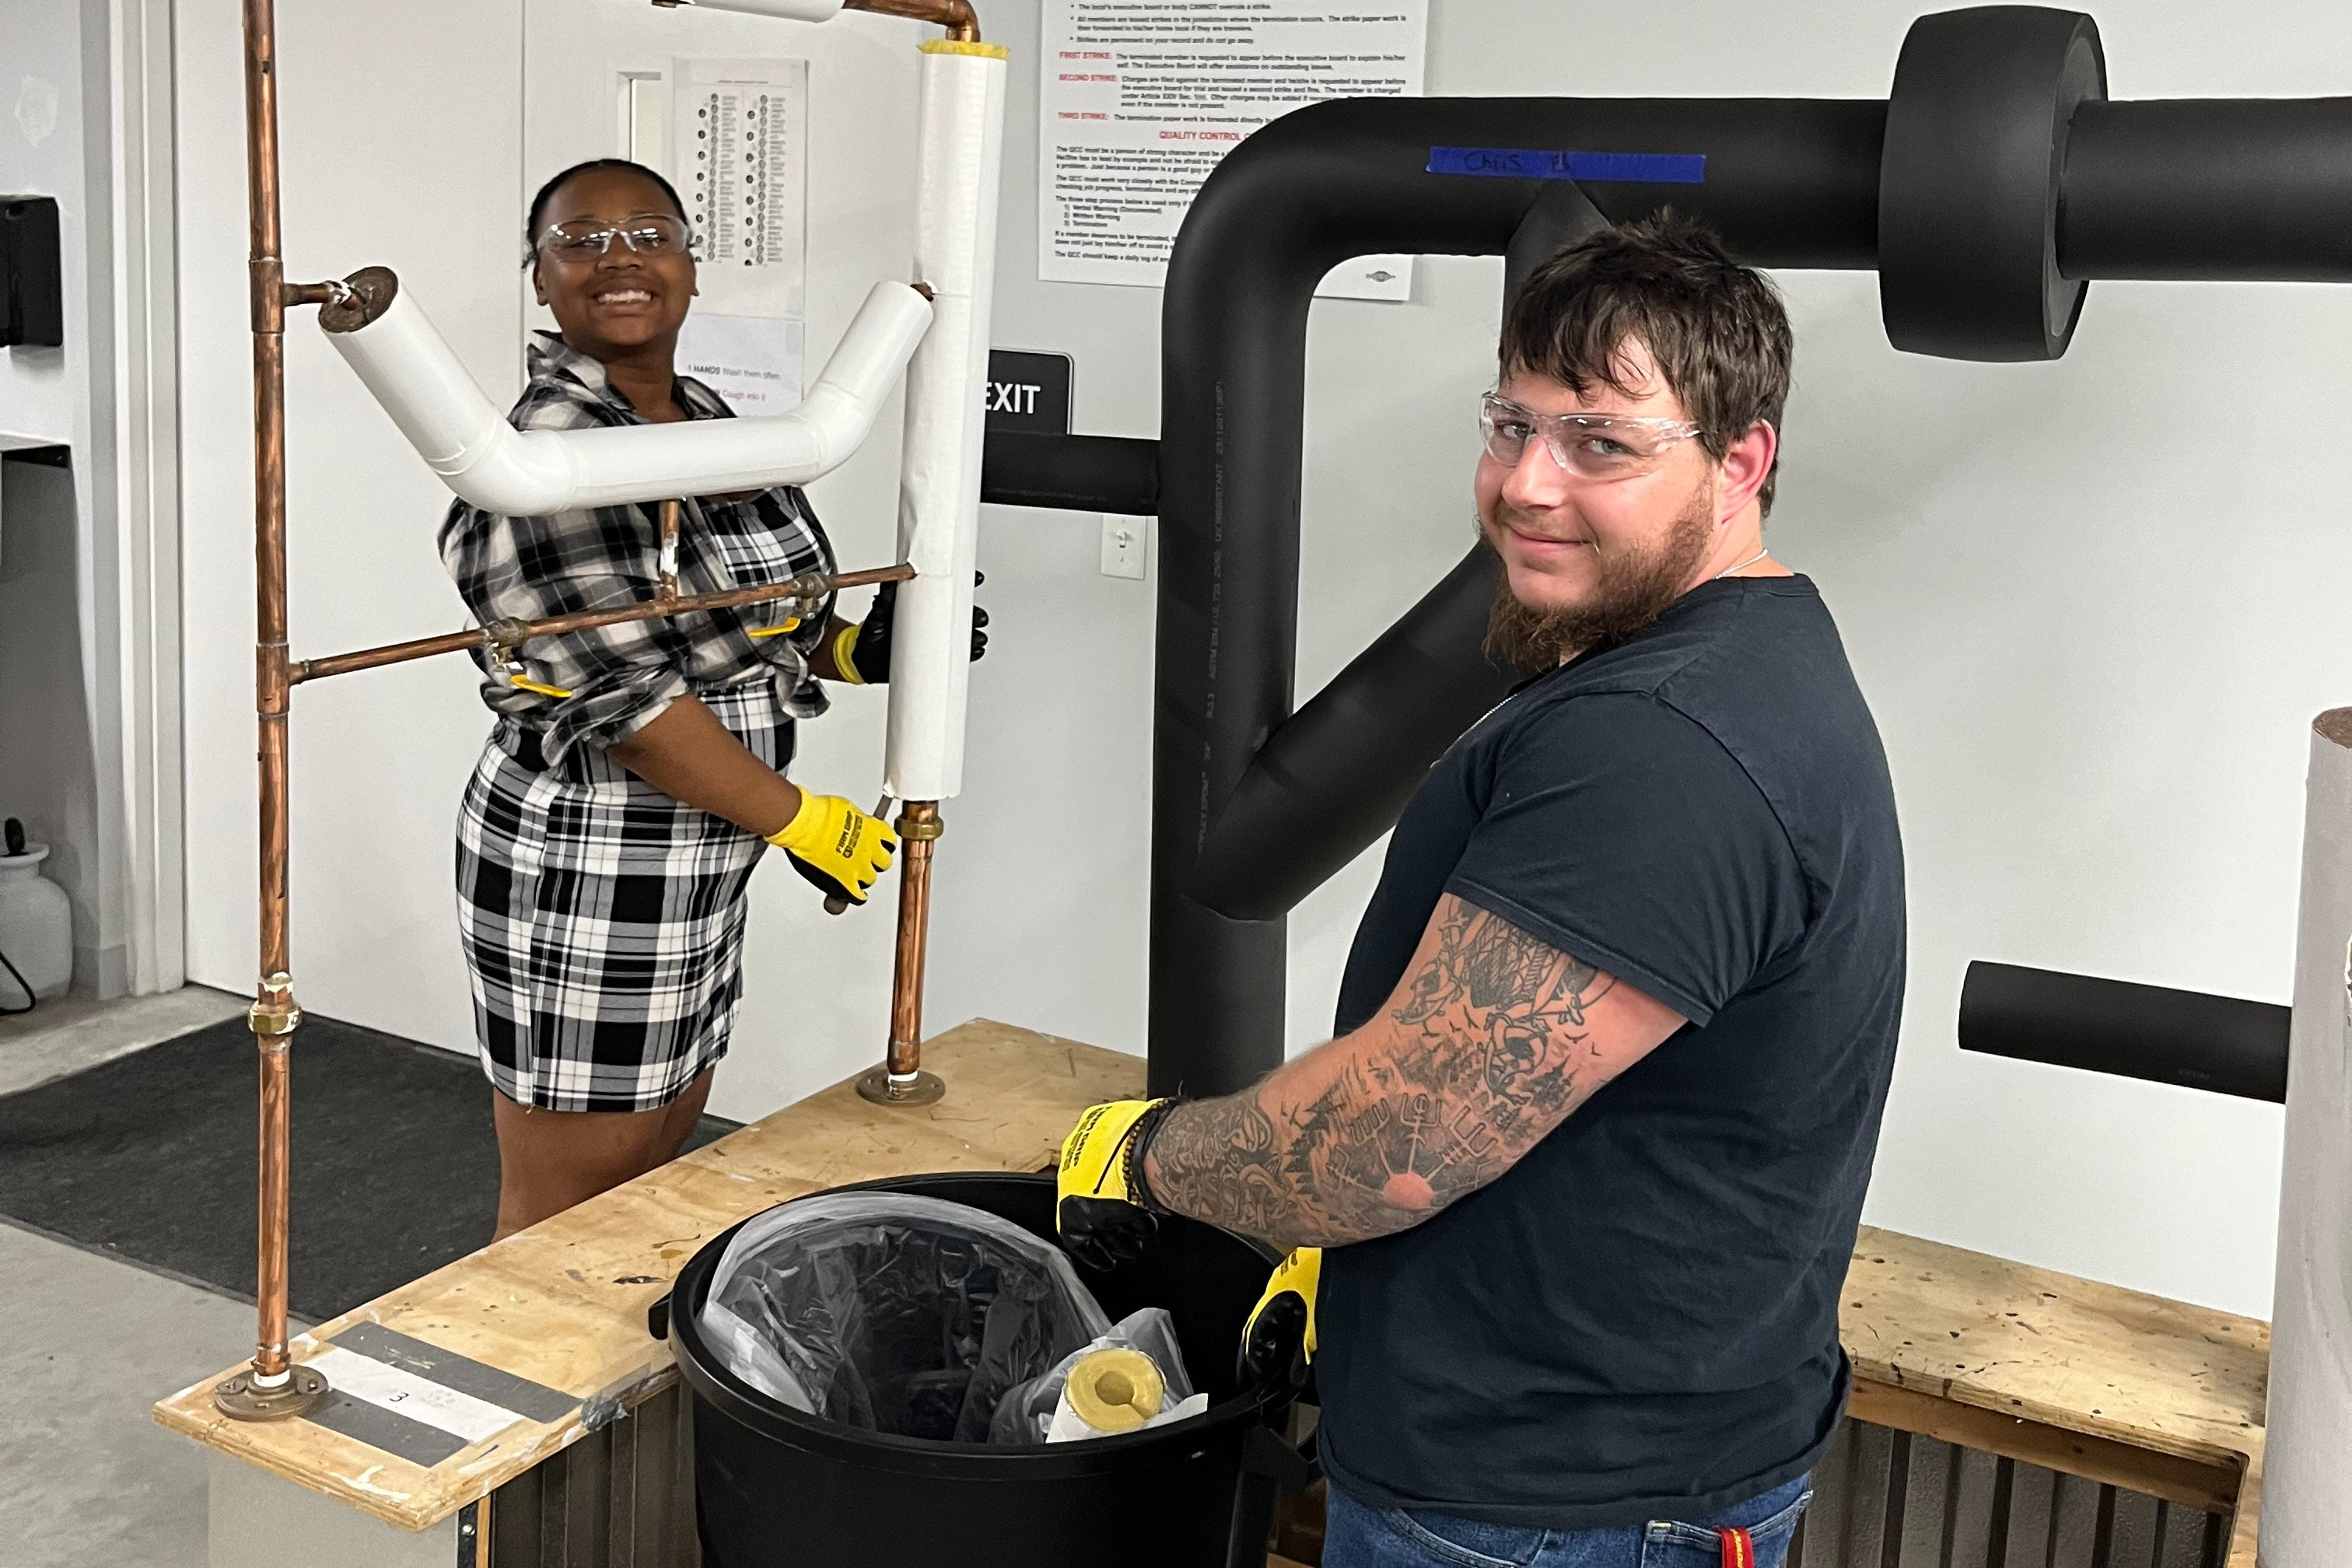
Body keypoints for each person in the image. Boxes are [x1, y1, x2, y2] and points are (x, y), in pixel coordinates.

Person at [1058, 214, 1904, 1568]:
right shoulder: (1737, 656)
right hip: (1600, 1460)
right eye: (1511, 424)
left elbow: (1389, 1150)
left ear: (1742, 462)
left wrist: (1149, 1157)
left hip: (1547, 1512)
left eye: (1601, 443)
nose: (1526, 483)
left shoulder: (1659, 746)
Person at [443, 158, 984, 1242]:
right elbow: (633, 705)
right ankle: (518, 1397)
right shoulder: (545, 460)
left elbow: (746, 625)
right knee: (565, 1214)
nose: (620, 258)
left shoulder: (707, 418)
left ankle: (611, 1397)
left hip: (702, 854)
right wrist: (804, 821)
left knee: (653, 1162)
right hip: (592, 859)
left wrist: (855, 650)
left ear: (689, 265)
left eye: (648, 232)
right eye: (580, 241)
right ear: (540, 280)